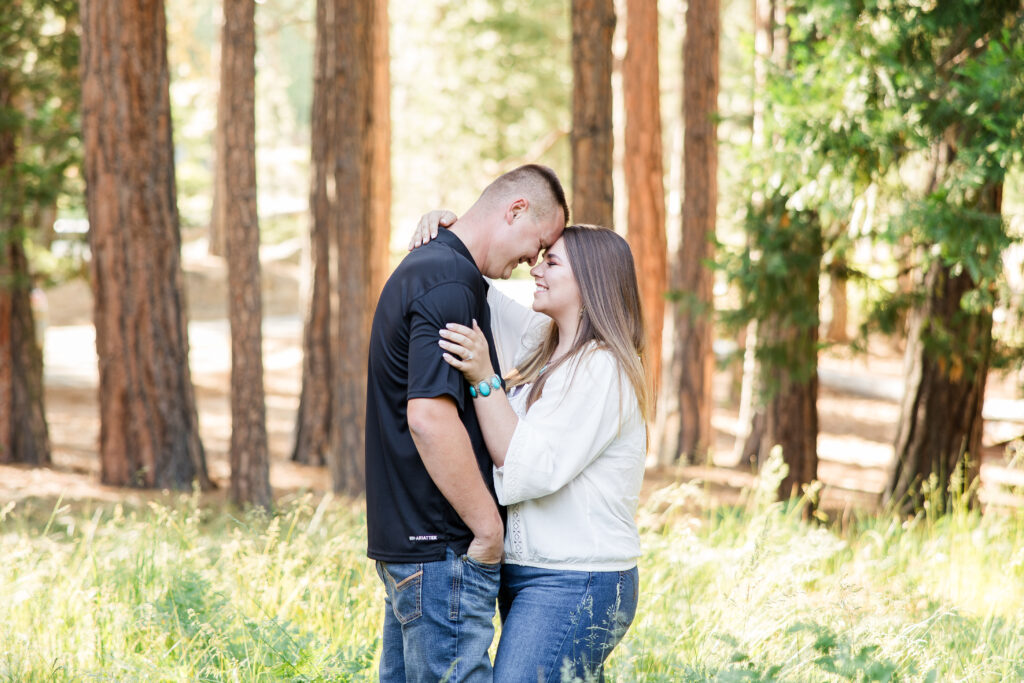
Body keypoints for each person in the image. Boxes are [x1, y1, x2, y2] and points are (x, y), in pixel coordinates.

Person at [412, 212, 650, 682]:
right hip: (535, 577)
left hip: (579, 579)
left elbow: (529, 469)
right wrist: (447, 235)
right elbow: (475, 288)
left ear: (591, 282)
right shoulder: (548, 345)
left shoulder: (603, 368)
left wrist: (484, 380)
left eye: (552, 263)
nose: (535, 269)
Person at [365, 164, 569, 683]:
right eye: (537, 244)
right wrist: (487, 528)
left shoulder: (437, 270)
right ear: (515, 210)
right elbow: (430, 419)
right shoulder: (450, 283)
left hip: (412, 545)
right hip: (444, 549)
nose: (531, 263)